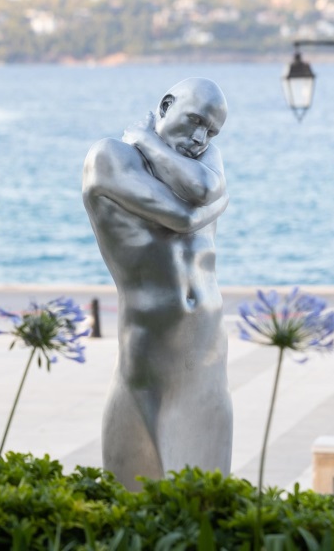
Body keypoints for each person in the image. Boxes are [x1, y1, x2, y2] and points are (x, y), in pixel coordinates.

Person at [82, 77, 231, 490]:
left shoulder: (203, 158)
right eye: (195, 120)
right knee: (144, 489)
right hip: (153, 345)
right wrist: (219, 200)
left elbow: (203, 189)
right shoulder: (110, 156)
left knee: (209, 497)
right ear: (166, 105)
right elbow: (181, 217)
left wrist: (149, 139)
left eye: (211, 131)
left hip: (209, 346)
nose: (200, 139)